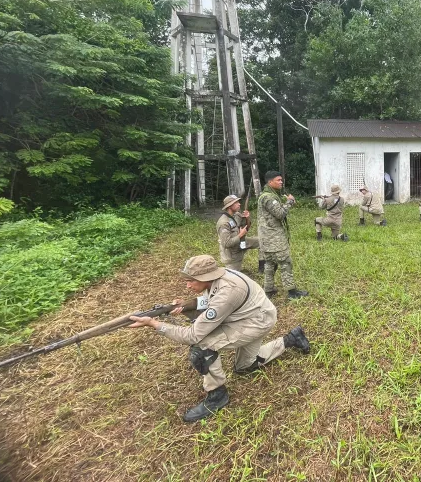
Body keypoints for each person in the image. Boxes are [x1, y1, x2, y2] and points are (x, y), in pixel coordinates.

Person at [129, 254, 311, 423]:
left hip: (257, 321)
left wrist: (154, 324)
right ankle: (291, 339)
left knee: (201, 347)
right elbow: (208, 300)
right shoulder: (218, 277)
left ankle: (217, 395)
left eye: (190, 281)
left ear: (205, 277)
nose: (188, 286)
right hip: (251, 315)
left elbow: (193, 335)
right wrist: (186, 306)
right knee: (245, 367)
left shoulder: (228, 291)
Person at [257, 171, 309, 299]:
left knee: (269, 264)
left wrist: (286, 203)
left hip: (266, 237)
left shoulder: (267, 195)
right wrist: (290, 202)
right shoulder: (269, 197)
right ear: (270, 182)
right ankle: (292, 292)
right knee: (285, 262)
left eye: (281, 180)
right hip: (274, 237)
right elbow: (280, 214)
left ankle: (268, 290)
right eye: (278, 180)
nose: (281, 182)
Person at [216, 194, 262, 273]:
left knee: (262, 242)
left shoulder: (236, 215)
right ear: (230, 206)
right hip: (232, 254)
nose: (239, 204)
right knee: (234, 278)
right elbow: (226, 244)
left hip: (241, 242)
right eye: (236, 203)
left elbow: (246, 228)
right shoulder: (223, 223)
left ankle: (263, 269)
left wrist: (247, 218)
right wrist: (240, 234)